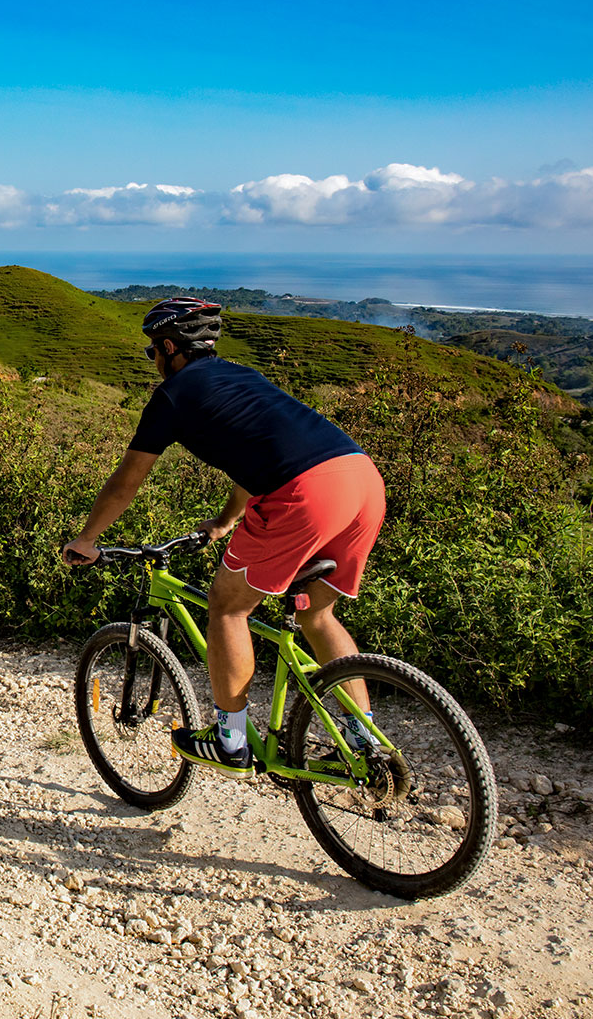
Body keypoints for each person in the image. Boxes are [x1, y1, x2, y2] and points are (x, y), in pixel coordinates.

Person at [62, 298, 385, 776]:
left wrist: (87, 538)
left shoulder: (171, 397)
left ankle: (230, 739)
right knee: (317, 613)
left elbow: (125, 483)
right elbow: (257, 459)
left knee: (228, 606)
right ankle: (364, 741)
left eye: (153, 350)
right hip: (361, 480)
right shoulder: (244, 376)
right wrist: (226, 520)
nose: (152, 359)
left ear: (169, 347)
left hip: (305, 493)